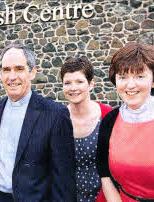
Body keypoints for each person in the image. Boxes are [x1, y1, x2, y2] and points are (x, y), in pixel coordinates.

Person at [0, 43, 76, 202]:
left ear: (32, 72)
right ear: (0, 74)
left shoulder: (55, 115)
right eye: (6, 70)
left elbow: (64, 179)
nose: (12, 76)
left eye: (19, 69)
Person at [96, 42, 154, 201]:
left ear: (153, 80)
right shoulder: (110, 121)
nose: (130, 85)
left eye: (139, 76)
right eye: (123, 77)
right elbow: (104, 173)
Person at [61, 56, 112, 202]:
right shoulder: (58, 120)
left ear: (91, 84)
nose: (73, 88)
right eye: (67, 83)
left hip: (105, 196)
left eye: (79, 81)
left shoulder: (108, 116)